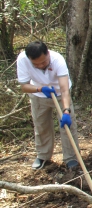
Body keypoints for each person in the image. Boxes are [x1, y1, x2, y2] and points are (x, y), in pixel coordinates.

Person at [17, 41, 80, 170]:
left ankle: (71, 157)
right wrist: (40, 89)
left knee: (68, 126)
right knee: (41, 126)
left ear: (48, 54)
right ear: (30, 59)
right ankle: (43, 155)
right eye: (36, 64)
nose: (41, 65)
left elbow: (64, 90)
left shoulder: (58, 60)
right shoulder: (22, 59)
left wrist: (66, 111)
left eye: (44, 62)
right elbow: (24, 86)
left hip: (60, 95)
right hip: (38, 94)